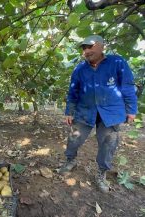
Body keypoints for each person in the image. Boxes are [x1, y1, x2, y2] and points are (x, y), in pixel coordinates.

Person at [57, 35, 138, 193]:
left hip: (111, 112)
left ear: (101, 46)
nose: (86, 51)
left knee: (108, 144)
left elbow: (127, 86)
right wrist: (69, 111)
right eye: (84, 48)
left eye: (90, 46)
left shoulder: (117, 62)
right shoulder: (80, 69)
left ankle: (102, 173)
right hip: (84, 110)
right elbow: (73, 91)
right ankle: (70, 160)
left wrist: (131, 109)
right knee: (74, 138)